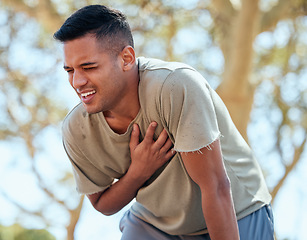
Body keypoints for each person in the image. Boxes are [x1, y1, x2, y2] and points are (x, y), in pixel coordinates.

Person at [54, 4, 274, 240]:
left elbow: (216, 187)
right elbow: (101, 203)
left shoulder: (175, 86)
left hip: (237, 210)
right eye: (69, 70)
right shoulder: (76, 129)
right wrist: (137, 172)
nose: (77, 81)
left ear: (126, 58)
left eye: (89, 67)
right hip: (156, 222)